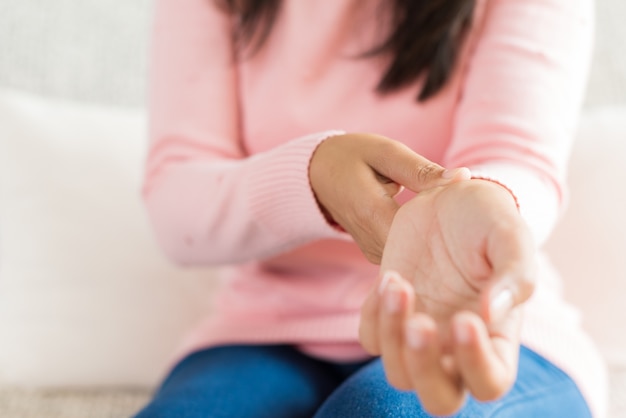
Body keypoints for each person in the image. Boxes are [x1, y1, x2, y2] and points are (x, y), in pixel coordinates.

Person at [134, 0, 607, 416]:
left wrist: (483, 211)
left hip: (477, 319)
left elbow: (517, 157)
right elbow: (176, 204)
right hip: (264, 332)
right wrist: (312, 177)